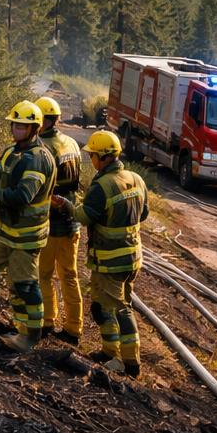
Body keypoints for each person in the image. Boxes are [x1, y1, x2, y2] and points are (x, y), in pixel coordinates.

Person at [0, 100, 55, 353]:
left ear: (34, 128)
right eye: (15, 124)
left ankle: (30, 336)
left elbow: (21, 197)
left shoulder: (38, 160)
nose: (17, 129)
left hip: (26, 236)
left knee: (24, 287)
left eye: (22, 126)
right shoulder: (11, 152)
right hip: (3, 230)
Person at [67, 128, 148, 376]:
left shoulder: (102, 186)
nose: (91, 159)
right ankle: (109, 351)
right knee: (102, 305)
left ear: (102, 157)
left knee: (121, 308)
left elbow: (83, 216)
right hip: (132, 257)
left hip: (110, 261)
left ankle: (130, 362)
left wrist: (69, 205)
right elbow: (143, 214)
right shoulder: (136, 179)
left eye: (92, 155)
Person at [34, 96, 85, 342]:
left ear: (44, 121)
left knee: (43, 274)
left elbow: (40, 186)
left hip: (52, 222)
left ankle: (47, 322)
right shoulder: (73, 144)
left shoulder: (43, 148)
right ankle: (74, 329)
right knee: (70, 275)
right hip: (72, 221)